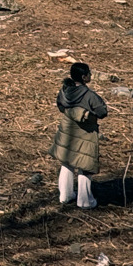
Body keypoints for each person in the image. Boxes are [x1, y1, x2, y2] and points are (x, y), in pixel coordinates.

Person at [49, 62, 106, 209]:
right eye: (89, 73)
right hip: (86, 133)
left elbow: (60, 106)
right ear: (83, 76)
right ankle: (85, 201)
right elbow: (102, 112)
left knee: (67, 161)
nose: (91, 75)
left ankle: (65, 195)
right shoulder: (90, 96)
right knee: (85, 165)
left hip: (67, 130)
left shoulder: (64, 91)